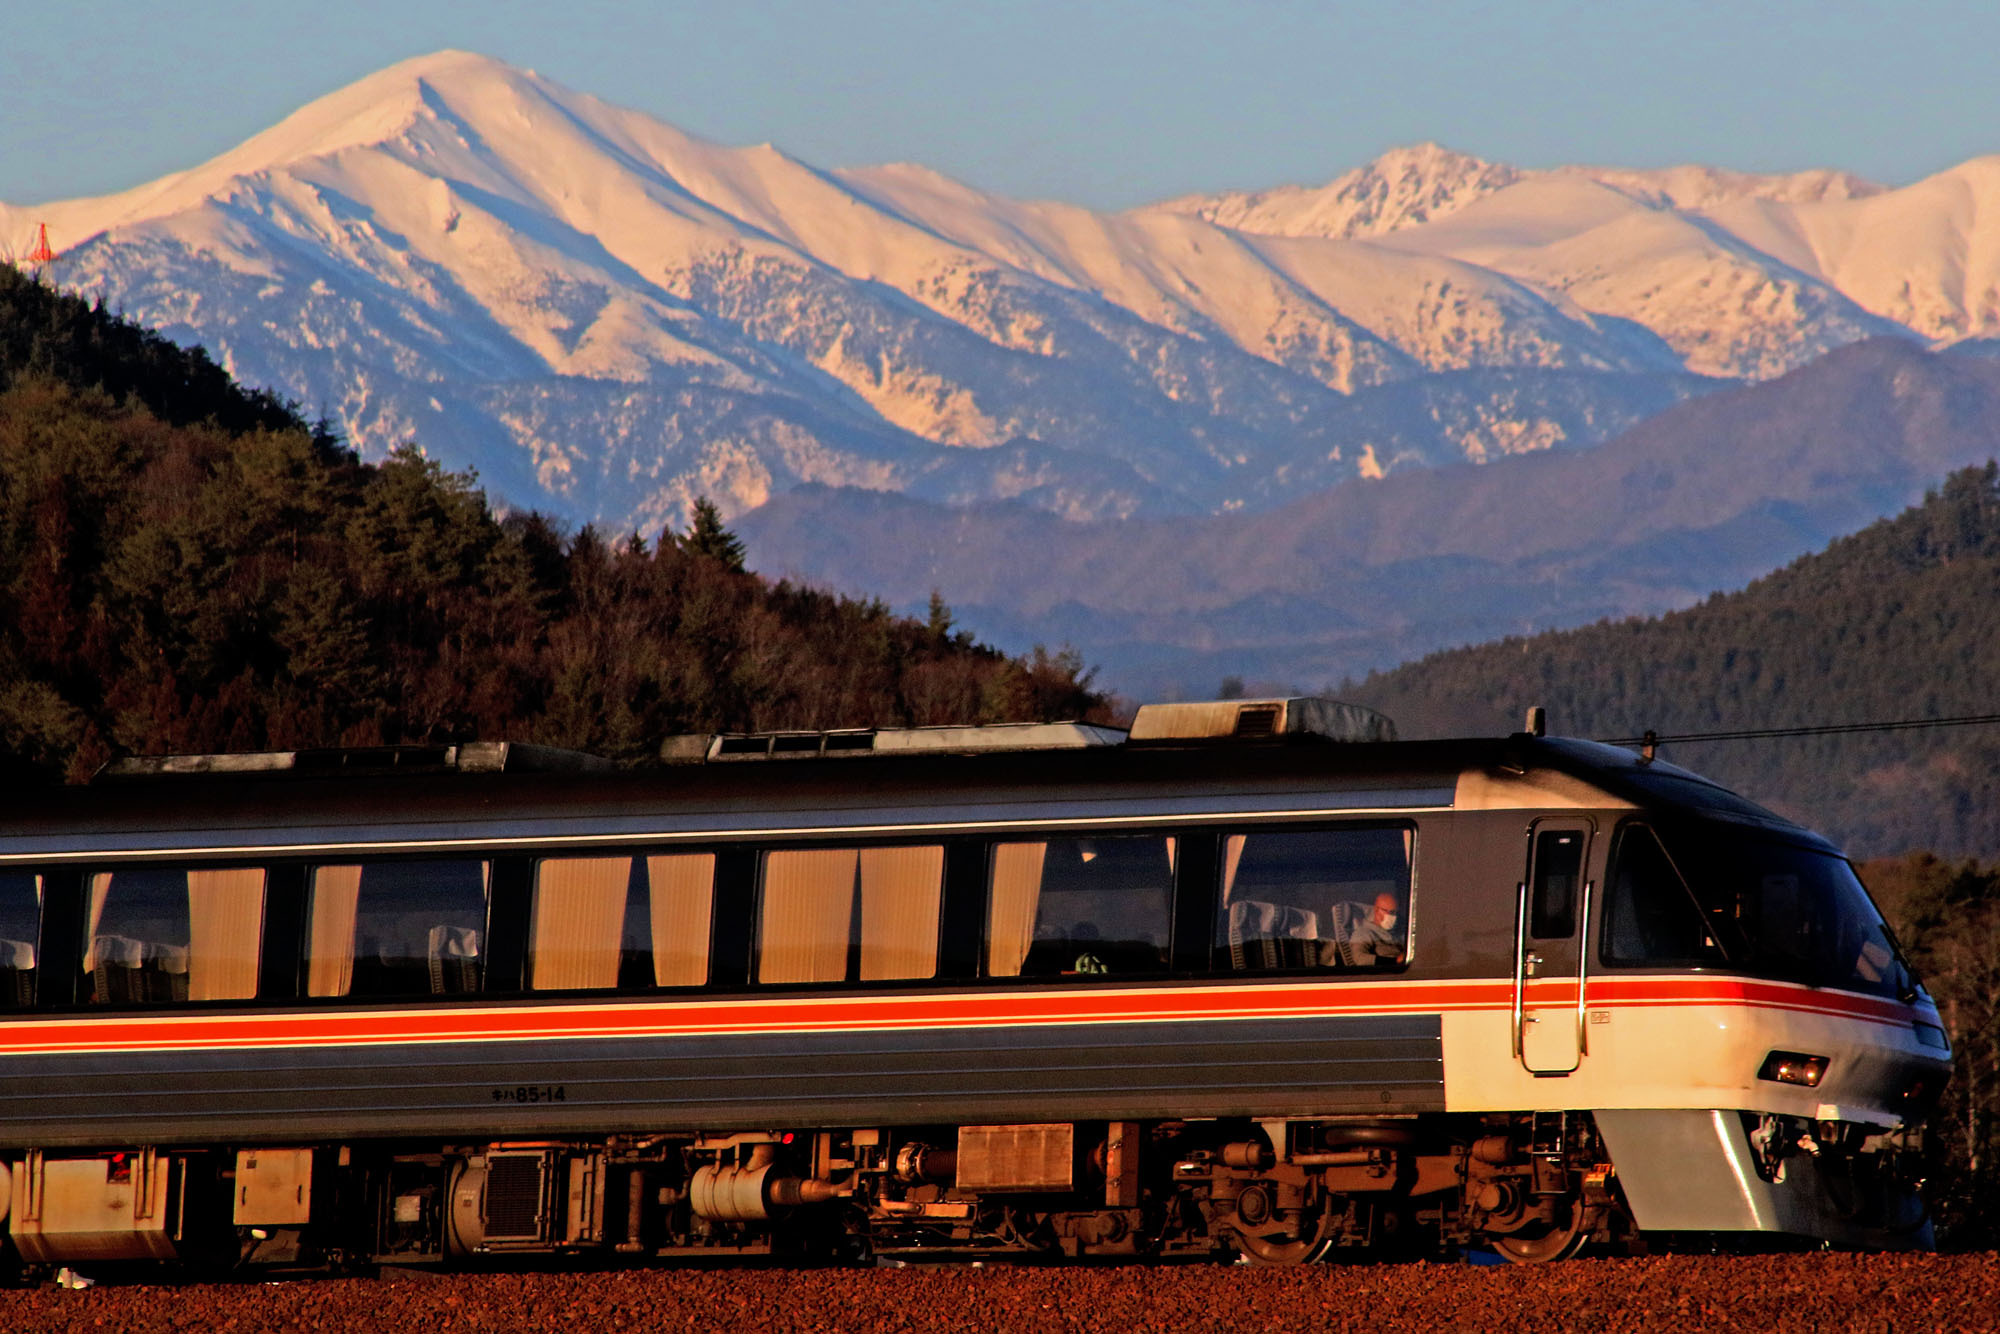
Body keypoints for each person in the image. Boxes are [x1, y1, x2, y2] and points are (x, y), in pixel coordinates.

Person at [1345, 891, 1404, 967]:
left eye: (1396, 913)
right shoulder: (1364, 932)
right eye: (1391, 912)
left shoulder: (1396, 934)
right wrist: (1394, 961)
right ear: (1376, 910)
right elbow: (1359, 958)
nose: (1394, 917)